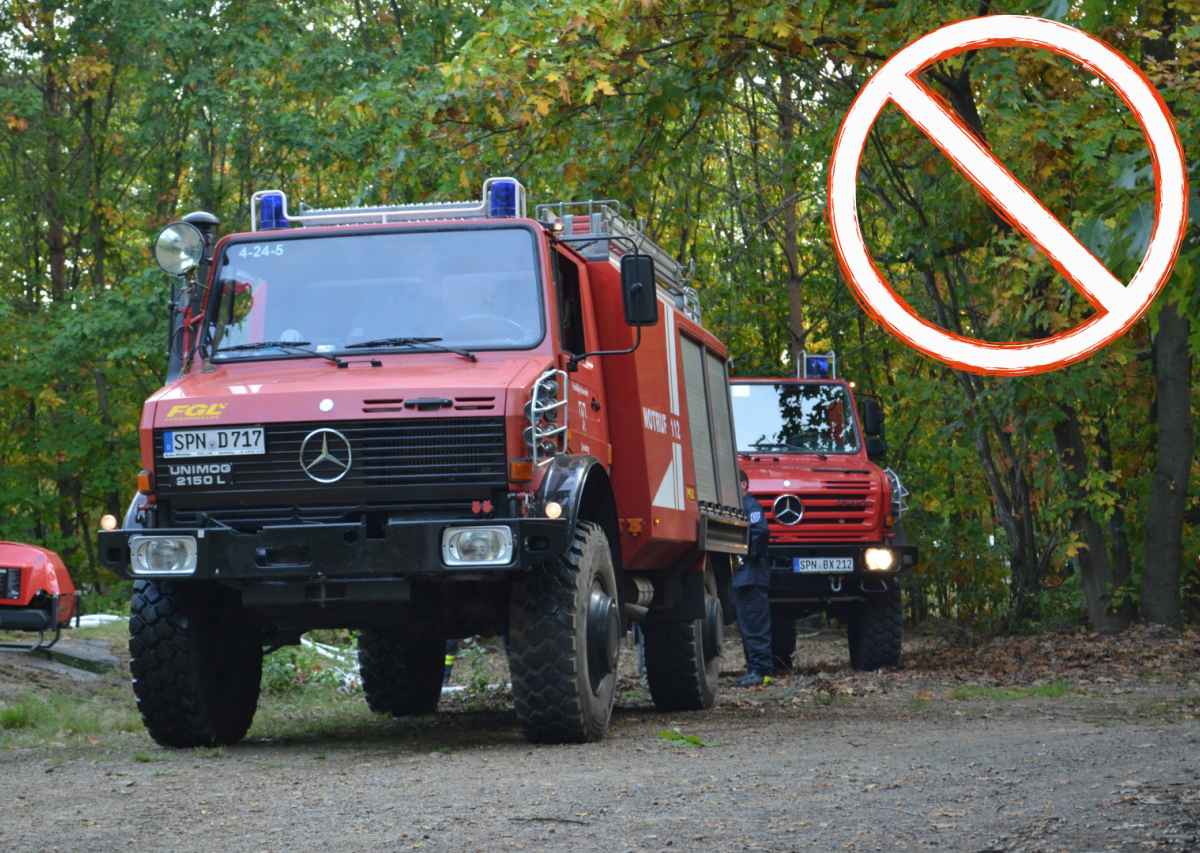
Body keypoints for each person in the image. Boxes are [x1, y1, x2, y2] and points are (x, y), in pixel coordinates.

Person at [733, 468, 773, 688]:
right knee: (747, 626)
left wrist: (750, 555)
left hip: (752, 577)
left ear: (744, 485)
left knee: (756, 625)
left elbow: (761, 532)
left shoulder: (751, 505)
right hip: (743, 578)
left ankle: (761, 672)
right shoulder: (740, 508)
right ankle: (752, 670)